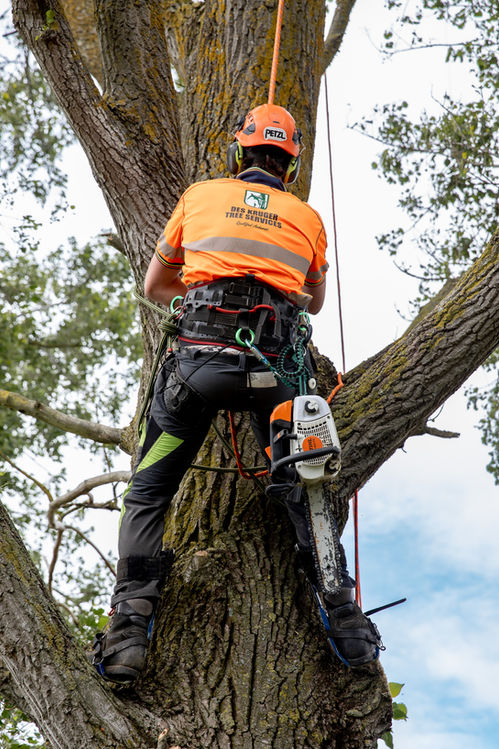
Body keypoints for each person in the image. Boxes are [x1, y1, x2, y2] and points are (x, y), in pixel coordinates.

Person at [92, 104, 382, 683]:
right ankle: (344, 616)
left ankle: (127, 631)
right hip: (275, 373)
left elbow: (156, 285)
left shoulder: (199, 196)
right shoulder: (307, 218)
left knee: (149, 490)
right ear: (290, 167)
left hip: (195, 367)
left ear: (237, 152)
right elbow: (313, 302)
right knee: (307, 485)